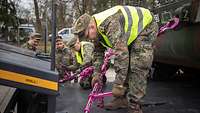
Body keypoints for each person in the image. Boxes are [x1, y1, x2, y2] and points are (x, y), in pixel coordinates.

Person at [72, 5, 158, 113]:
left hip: (145, 26)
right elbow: (98, 53)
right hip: (130, 34)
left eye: (87, 36)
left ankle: (134, 106)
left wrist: (118, 84)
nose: (87, 39)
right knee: (127, 62)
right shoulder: (95, 29)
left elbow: (122, 55)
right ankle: (121, 100)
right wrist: (97, 73)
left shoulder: (110, 24)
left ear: (91, 26)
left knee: (137, 65)